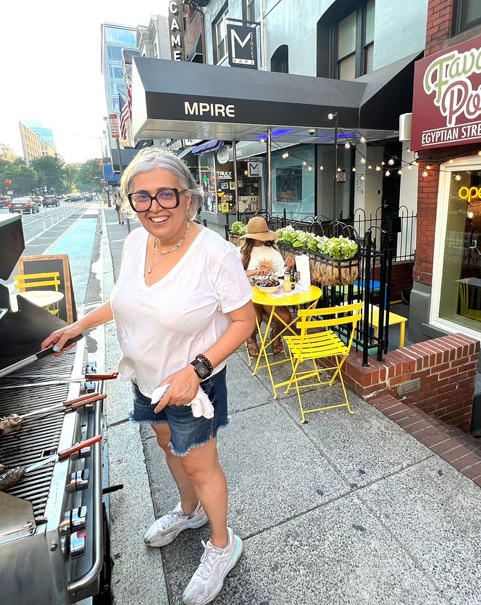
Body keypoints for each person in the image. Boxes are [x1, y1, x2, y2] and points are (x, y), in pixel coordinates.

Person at [42, 148, 256, 605]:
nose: (155, 206)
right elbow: (124, 300)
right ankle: (188, 511)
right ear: (130, 202)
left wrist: (196, 370)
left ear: (188, 197)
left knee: (200, 462)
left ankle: (223, 545)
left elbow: (245, 321)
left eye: (166, 195)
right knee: (167, 446)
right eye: (142, 197)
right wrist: (80, 324)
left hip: (191, 383)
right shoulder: (138, 242)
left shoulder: (216, 254)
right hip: (146, 377)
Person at [238, 216, 295, 357]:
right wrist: (256, 271)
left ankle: (275, 335)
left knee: (286, 317)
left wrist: (288, 267)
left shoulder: (273, 251)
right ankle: (251, 338)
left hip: (270, 292)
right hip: (250, 294)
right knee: (255, 319)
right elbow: (234, 275)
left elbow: (282, 274)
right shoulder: (241, 252)